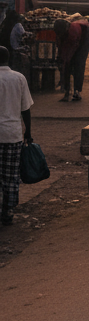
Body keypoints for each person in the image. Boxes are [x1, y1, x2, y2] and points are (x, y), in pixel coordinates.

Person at [0, 46, 33, 226]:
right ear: (9, 58)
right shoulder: (18, 78)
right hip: (12, 135)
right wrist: (28, 131)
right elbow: (25, 109)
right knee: (11, 175)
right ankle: (8, 210)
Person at [54, 17, 89, 103]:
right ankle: (67, 91)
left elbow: (71, 50)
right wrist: (61, 59)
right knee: (66, 66)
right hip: (71, 42)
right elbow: (60, 47)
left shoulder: (74, 31)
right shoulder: (59, 33)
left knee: (79, 64)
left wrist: (66, 59)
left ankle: (77, 91)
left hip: (83, 40)